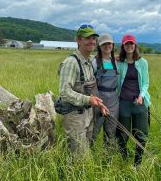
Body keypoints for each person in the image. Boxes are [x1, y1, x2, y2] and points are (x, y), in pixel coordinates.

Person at [58, 24, 109, 153]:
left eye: (93, 38)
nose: (92, 41)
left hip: (88, 115)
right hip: (75, 117)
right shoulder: (71, 62)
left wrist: (99, 104)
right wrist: (88, 100)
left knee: (85, 152)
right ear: (78, 40)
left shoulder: (89, 62)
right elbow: (64, 92)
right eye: (87, 38)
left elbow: (90, 90)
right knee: (80, 159)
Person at [116, 34, 150, 166]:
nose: (129, 46)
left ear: (135, 46)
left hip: (139, 102)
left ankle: (137, 163)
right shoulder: (119, 62)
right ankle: (124, 160)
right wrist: (115, 57)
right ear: (123, 46)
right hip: (123, 102)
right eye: (126, 44)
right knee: (122, 135)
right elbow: (103, 59)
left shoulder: (142, 62)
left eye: (131, 44)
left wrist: (141, 96)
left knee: (141, 134)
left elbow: (146, 83)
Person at [91, 33, 119, 149]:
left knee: (111, 132)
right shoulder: (94, 62)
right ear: (99, 46)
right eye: (104, 44)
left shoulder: (116, 62)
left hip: (113, 101)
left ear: (112, 45)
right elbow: (91, 85)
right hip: (98, 99)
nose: (107, 46)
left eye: (109, 43)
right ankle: (87, 157)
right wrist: (98, 102)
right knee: (93, 131)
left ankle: (108, 159)